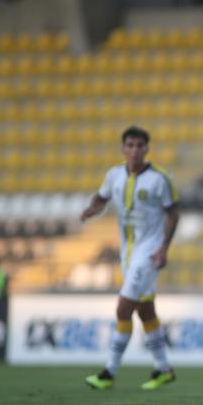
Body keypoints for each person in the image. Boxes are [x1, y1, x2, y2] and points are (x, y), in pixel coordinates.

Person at [82, 126, 179, 391]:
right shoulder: (114, 175)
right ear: (123, 148)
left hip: (148, 253)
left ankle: (109, 372)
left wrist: (163, 248)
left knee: (123, 309)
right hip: (128, 253)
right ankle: (163, 368)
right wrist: (92, 208)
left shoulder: (159, 178)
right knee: (145, 310)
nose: (135, 150)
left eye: (139, 145)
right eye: (130, 145)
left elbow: (174, 213)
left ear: (146, 149)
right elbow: (101, 197)